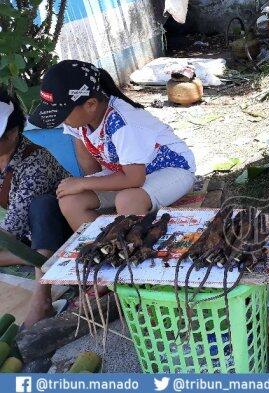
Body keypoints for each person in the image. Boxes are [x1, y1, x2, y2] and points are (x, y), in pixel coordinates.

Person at [29, 60, 197, 230]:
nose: (61, 121)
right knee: (70, 200)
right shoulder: (79, 117)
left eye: (63, 114)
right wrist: (89, 188)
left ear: (91, 104)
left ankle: (131, 248)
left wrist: (83, 183)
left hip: (172, 170)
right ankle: (102, 246)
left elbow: (134, 179)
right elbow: (87, 160)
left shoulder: (123, 123)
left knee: (127, 199)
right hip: (127, 172)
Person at [0, 88, 72, 327]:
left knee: (42, 205)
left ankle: (42, 299)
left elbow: (10, 230)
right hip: (26, 238)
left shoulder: (35, 163)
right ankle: (39, 259)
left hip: (59, 232)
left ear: (12, 134)